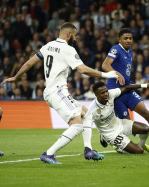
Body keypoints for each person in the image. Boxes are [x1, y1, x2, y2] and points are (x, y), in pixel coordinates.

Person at [1, 22, 124, 164]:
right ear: (69, 35)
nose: (76, 39)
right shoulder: (68, 49)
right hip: (58, 92)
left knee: (87, 114)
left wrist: (16, 77)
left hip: (52, 91)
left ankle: (88, 150)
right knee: (77, 124)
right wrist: (107, 75)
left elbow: (30, 63)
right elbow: (83, 70)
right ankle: (49, 154)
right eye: (75, 36)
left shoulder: (48, 46)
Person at [102, 28, 149, 151]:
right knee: (128, 126)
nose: (128, 40)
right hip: (116, 94)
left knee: (147, 113)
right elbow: (105, 65)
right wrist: (117, 73)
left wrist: (143, 85)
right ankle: (109, 137)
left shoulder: (129, 52)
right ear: (119, 39)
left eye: (130, 38)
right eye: (125, 38)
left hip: (128, 89)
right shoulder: (116, 49)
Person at [83, 81, 149, 154]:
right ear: (96, 95)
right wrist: (88, 148)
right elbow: (86, 127)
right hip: (111, 134)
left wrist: (145, 85)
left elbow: (126, 88)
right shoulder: (92, 110)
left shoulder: (111, 94)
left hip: (120, 123)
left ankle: (142, 145)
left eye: (106, 91)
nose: (106, 94)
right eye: (102, 93)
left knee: (146, 129)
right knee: (139, 151)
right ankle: (118, 147)